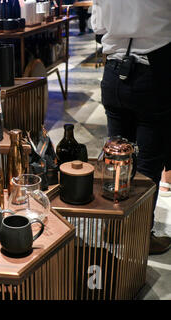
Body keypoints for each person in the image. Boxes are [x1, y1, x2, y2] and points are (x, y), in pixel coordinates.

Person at [92, 0, 171, 254]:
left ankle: (114, 229)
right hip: (153, 71)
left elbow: (98, 26)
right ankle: (139, 235)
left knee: (116, 158)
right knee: (148, 161)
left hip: (114, 71)